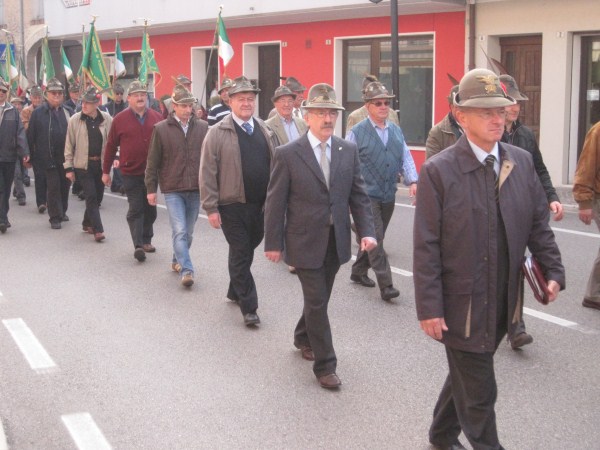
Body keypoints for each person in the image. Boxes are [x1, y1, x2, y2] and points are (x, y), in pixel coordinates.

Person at [413, 68, 565, 450]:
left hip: (504, 298)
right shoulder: (439, 171)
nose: (498, 118)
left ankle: (441, 434)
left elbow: (537, 223)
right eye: (486, 112)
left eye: (501, 109)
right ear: (460, 116)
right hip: (461, 303)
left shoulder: (520, 161)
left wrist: (553, 270)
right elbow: (426, 244)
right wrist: (429, 307)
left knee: (468, 373)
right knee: (481, 392)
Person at [264, 83, 377, 389]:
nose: (328, 119)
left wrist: (367, 231)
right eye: (321, 113)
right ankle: (325, 365)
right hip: (303, 241)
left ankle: (303, 336)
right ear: (307, 116)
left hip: (335, 241)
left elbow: (358, 195)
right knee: (316, 301)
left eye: (332, 113)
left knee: (320, 298)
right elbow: (275, 202)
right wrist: (273, 243)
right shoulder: (288, 154)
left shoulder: (347, 150)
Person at [200, 76, 278, 326]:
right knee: (242, 251)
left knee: (245, 249)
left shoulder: (265, 129)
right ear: (230, 101)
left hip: (261, 206)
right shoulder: (217, 132)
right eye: (241, 99)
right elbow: (207, 171)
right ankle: (249, 307)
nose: (246, 103)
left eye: (250, 99)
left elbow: (276, 165)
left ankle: (235, 289)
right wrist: (211, 207)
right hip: (231, 205)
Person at [499, 73, 564, 349]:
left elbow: (539, 169)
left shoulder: (525, 135)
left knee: (517, 267)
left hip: (522, 210)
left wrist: (551, 197)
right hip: (496, 212)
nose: (515, 107)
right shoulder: (490, 134)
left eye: (518, 102)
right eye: (511, 101)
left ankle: (516, 328)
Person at [345, 81, 418, 300]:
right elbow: (346, 164)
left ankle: (358, 270)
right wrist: (346, 195)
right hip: (366, 195)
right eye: (378, 103)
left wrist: (413, 181)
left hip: (388, 193)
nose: (384, 107)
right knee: (376, 238)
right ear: (368, 106)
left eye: (386, 103)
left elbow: (405, 156)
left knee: (376, 235)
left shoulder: (395, 130)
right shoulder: (357, 132)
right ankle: (386, 285)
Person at [146, 85, 208, 287]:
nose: (187, 109)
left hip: (195, 188)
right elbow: (152, 162)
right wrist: (151, 189)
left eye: (190, 105)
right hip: (172, 188)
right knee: (180, 230)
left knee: (188, 233)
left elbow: (210, 159)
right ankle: (187, 270)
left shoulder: (203, 127)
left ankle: (176, 259)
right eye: (183, 106)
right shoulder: (161, 129)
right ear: (174, 106)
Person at [103, 80, 163, 262]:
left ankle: (147, 239)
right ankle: (138, 245)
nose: (140, 98)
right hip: (130, 172)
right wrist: (105, 171)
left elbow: (166, 145)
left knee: (151, 210)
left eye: (143, 95)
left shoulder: (157, 118)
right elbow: (110, 146)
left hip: (151, 173)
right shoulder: (120, 119)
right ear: (128, 98)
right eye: (136, 95)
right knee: (136, 208)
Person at [64, 86, 113, 242]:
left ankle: (87, 222)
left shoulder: (106, 119)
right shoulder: (75, 120)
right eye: (83, 102)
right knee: (90, 196)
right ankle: (98, 230)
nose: (84, 105)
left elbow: (112, 141)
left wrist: (114, 159)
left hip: (100, 164)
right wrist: (68, 168)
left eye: (88, 103)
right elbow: (69, 145)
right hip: (83, 165)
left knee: (97, 197)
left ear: (96, 104)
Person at [27, 78, 74, 229]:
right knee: (53, 187)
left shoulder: (68, 112)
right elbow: (31, 136)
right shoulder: (38, 113)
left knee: (65, 186)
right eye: (53, 93)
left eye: (59, 93)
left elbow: (75, 134)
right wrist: (28, 155)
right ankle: (54, 217)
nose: (57, 95)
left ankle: (62, 211)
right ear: (47, 94)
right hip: (47, 157)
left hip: (65, 157)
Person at [574, 120, 600, 311]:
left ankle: (593, 294)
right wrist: (584, 201)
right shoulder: (597, 131)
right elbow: (586, 165)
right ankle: (593, 294)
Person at [0, 78, 30, 233]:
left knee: (6, 189)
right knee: (1, 188)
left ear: (6, 93)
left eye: (3, 91)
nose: (0, 93)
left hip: (9, 156)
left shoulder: (12, 111)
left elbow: (20, 133)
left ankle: (3, 215)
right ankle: (2, 219)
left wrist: (24, 152)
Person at [21, 85, 46, 212]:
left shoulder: (47, 109)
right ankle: (41, 202)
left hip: (47, 146)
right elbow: (25, 128)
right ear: (31, 98)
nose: (37, 100)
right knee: (39, 176)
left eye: (39, 97)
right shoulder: (26, 111)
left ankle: (48, 199)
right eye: (35, 97)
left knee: (49, 176)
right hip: (34, 147)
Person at [425, 85, 462, 160]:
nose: (462, 110)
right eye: (458, 106)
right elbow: (431, 164)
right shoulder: (437, 132)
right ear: (451, 107)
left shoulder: (476, 127)